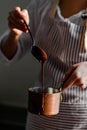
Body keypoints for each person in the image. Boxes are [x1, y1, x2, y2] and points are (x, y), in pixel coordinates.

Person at [0, 0, 87, 129]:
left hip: (80, 121)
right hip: (38, 120)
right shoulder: (42, 4)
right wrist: (14, 34)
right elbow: (8, 54)